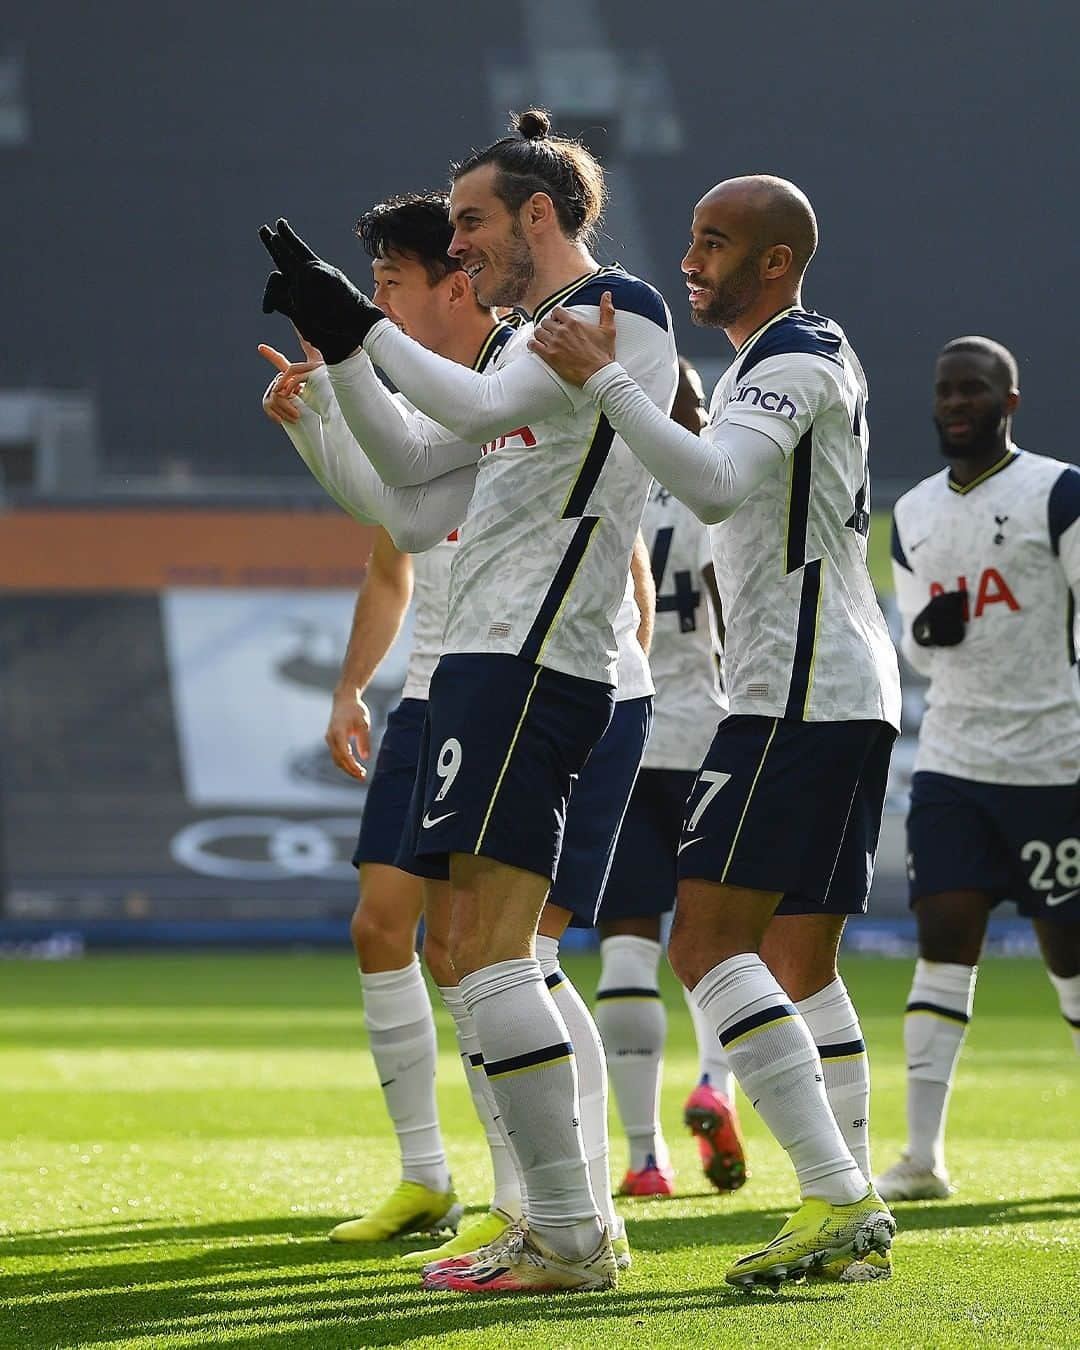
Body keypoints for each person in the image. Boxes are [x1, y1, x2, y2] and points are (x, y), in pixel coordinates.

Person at [258, 116, 677, 1294]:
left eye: (474, 222)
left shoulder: (615, 314)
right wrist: (339, 349)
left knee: (492, 959)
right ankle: (563, 1213)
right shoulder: (516, 347)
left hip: (534, 661)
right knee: (492, 962)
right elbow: (409, 486)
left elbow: (477, 418)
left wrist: (364, 322)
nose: (460, 243)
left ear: (539, 216)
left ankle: (566, 1233)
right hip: (492, 663)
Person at [529, 173, 901, 1287]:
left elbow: (723, 484)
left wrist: (606, 384)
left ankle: (840, 1199)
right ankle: (852, 1203)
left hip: (793, 695)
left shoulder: (793, 357)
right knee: (798, 961)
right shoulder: (783, 356)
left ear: (775, 260)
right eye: (691, 238)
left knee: (703, 943)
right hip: (838, 688)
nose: (691, 258)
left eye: (716, 241)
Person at [879, 336, 1080, 1201]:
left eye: (974, 389)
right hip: (954, 765)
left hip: (1054, 764)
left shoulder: (1059, 493)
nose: (955, 402)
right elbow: (920, 646)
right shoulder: (915, 512)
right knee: (943, 942)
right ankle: (922, 1157)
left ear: (1010, 400)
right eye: (945, 390)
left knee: (1070, 962)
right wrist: (932, 630)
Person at [595, 358, 748, 1198]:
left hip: (624, 734)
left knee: (626, 944)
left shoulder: (609, 482)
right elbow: (736, 606)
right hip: (708, 737)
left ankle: (644, 1158)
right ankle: (715, 1085)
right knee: (717, 938)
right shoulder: (718, 494)